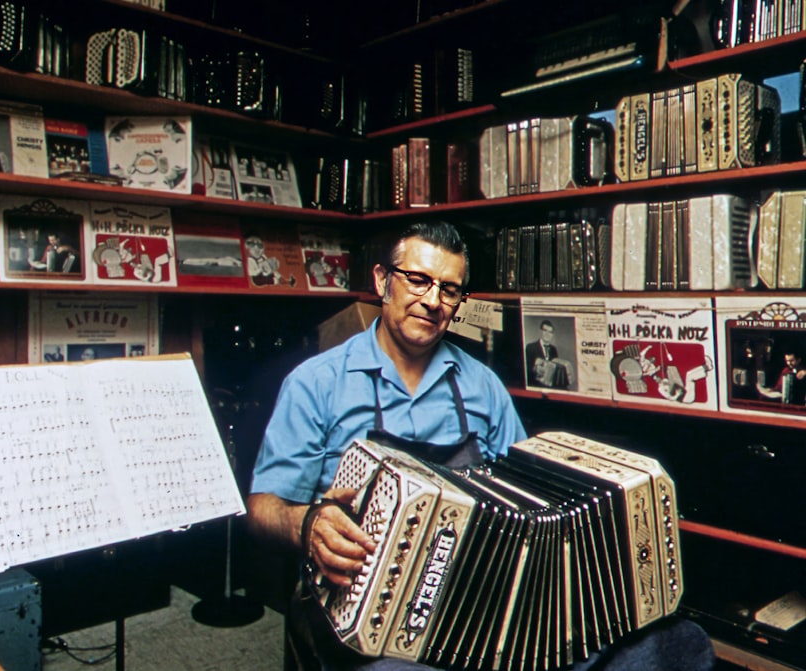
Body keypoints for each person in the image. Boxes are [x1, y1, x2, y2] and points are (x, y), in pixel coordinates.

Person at [247, 220, 714, 671]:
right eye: (417, 280)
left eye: (448, 289)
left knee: (677, 645)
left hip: (484, 606)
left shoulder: (483, 385)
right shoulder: (316, 383)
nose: (432, 301)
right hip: (369, 616)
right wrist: (308, 524)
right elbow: (264, 506)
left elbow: (533, 506)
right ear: (383, 282)